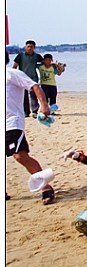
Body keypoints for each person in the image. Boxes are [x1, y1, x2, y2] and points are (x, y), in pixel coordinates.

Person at [6, 51, 55, 204]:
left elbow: (34, 86)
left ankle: (46, 187)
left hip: (11, 122)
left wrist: (44, 105)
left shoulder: (12, 74)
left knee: (20, 156)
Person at [12, 40, 43, 116]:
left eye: (31, 47)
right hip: (22, 78)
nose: (29, 48)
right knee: (24, 95)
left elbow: (44, 64)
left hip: (33, 77)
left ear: (34, 47)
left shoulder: (37, 56)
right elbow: (15, 66)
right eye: (28, 46)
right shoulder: (20, 56)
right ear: (25, 47)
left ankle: (34, 111)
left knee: (33, 95)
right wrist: (13, 76)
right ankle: (26, 112)